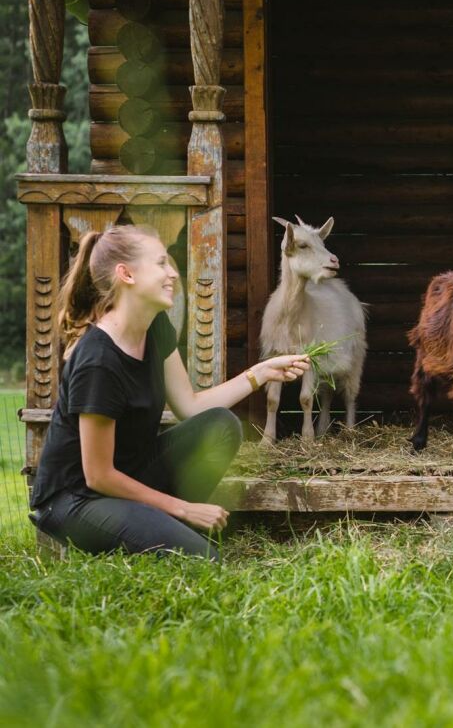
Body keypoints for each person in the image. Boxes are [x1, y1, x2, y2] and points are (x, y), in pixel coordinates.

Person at [29, 225, 311, 560]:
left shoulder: (156, 327)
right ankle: (171, 528)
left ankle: (162, 529)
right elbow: (98, 475)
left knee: (220, 425)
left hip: (127, 477)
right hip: (77, 499)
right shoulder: (98, 362)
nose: (172, 274)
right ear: (126, 274)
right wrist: (183, 508)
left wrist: (261, 373)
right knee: (204, 561)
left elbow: (191, 407)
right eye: (161, 263)